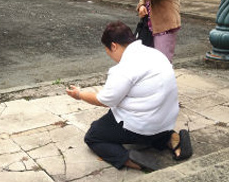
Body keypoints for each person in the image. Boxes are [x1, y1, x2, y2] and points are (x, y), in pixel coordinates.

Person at [66, 21, 192, 171]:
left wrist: (79, 94)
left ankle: (131, 160)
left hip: (143, 126)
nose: (112, 57)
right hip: (165, 121)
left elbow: (105, 100)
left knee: (94, 135)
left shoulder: (124, 68)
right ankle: (170, 138)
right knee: (132, 118)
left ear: (113, 46)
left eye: (109, 51)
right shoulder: (155, 54)